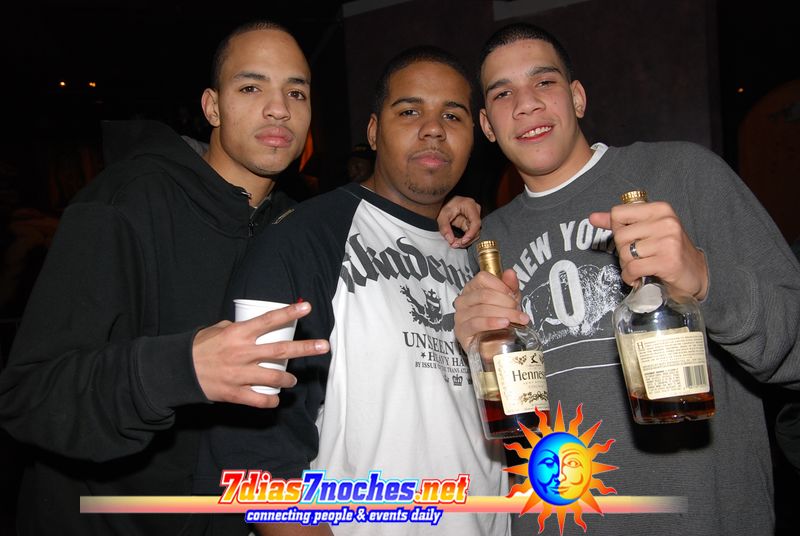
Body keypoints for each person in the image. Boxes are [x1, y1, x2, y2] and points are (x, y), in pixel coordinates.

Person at [0, 21, 480, 536]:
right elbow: (27, 396)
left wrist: (436, 218)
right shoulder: (126, 203)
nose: (278, 109)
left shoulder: (295, 225)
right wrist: (182, 368)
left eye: (296, 92)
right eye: (251, 87)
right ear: (212, 107)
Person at [453, 23, 800, 536]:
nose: (525, 104)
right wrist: (469, 356)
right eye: (503, 94)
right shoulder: (483, 246)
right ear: (487, 124)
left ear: (577, 97)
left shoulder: (684, 174)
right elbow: (481, 430)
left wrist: (705, 281)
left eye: (544, 82)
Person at [195, 46, 508, 535]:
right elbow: (256, 456)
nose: (433, 128)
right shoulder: (302, 240)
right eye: (410, 111)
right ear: (373, 132)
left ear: (475, 133)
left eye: (453, 115)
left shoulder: (480, 253)